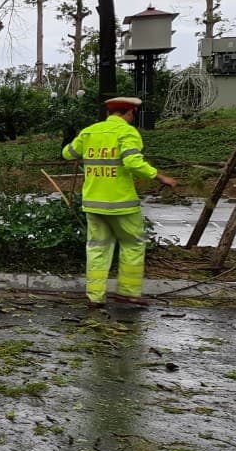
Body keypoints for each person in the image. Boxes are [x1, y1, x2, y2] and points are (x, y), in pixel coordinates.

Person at [63, 96, 177, 308]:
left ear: (108, 113)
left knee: (97, 248)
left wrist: (86, 148)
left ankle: (94, 297)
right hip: (121, 204)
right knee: (133, 244)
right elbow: (133, 162)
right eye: (133, 114)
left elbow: (67, 153)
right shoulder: (127, 132)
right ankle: (128, 293)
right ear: (129, 113)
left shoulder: (89, 132)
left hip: (94, 202)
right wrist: (160, 176)